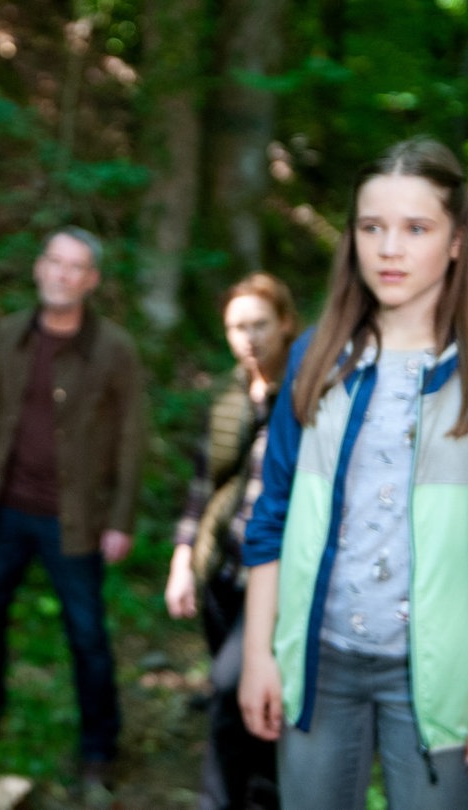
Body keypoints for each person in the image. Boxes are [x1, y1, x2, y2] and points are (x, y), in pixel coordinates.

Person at [238, 137, 468, 810]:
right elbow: (271, 515)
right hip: (319, 663)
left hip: (443, 675)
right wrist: (259, 655)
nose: (390, 248)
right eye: (371, 227)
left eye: (416, 228)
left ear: (456, 242)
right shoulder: (313, 357)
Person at [0, 227, 146, 792]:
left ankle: (98, 750)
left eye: (76, 266)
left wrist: (120, 518)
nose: (62, 274)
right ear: (39, 268)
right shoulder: (9, 336)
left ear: (91, 281)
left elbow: (133, 436)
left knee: (86, 635)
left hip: (75, 519)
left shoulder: (114, 350)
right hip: (5, 509)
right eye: (54, 262)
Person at [164, 272, 298, 810]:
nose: (248, 338)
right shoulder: (226, 394)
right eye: (236, 327)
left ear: (286, 324)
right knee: (249, 696)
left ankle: (219, 799)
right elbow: (202, 485)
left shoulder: (311, 393)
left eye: (260, 325)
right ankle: (259, 793)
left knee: (226, 687)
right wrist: (181, 559)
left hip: (281, 575)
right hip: (222, 569)